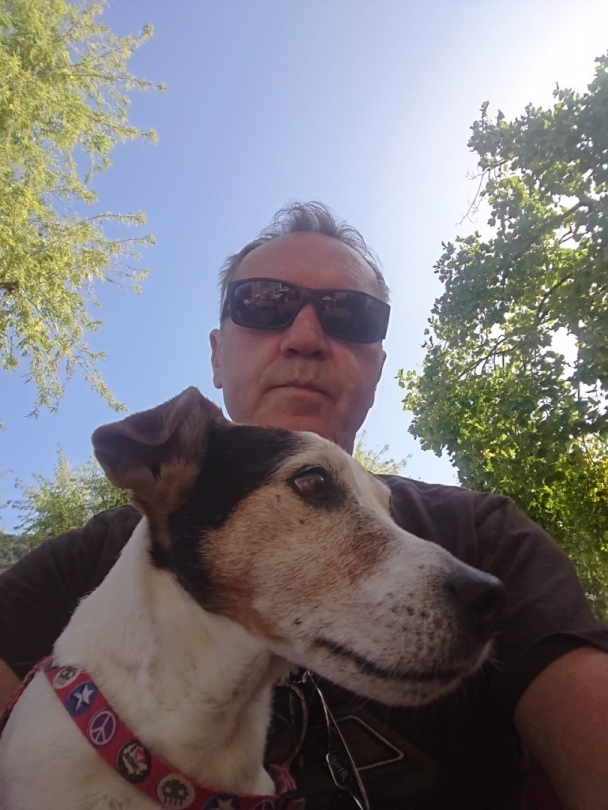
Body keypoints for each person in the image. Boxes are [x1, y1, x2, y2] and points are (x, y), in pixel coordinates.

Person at [1, 201, 607, 810]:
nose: (306, 337)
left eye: (351, 316)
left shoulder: (486, 536)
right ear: (217, 354)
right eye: (264, 303)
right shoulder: (86, 559)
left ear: (377, 368)